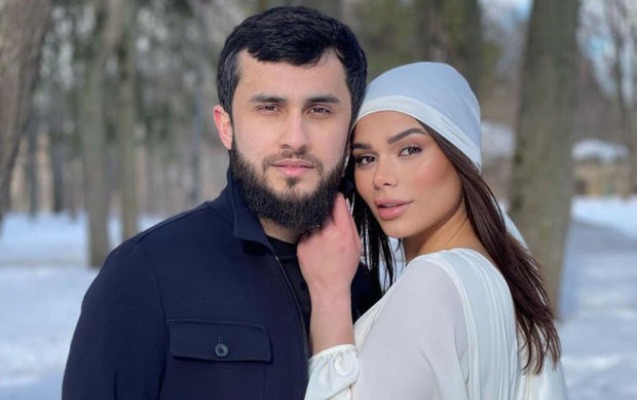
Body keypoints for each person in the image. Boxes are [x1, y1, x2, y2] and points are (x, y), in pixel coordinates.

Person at [62, 6, 381, 400]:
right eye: (269, 108)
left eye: (319, 110)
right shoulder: (145, 274)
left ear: (350, 131)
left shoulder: (362, 287)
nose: (295, 138)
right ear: (226, 127)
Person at [298, 62, 567, 399]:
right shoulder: (496, 270)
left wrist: (329, 296)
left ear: (461, 155)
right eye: (366, 158)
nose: (381, 178)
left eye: (409, 150)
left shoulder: (433, 282)